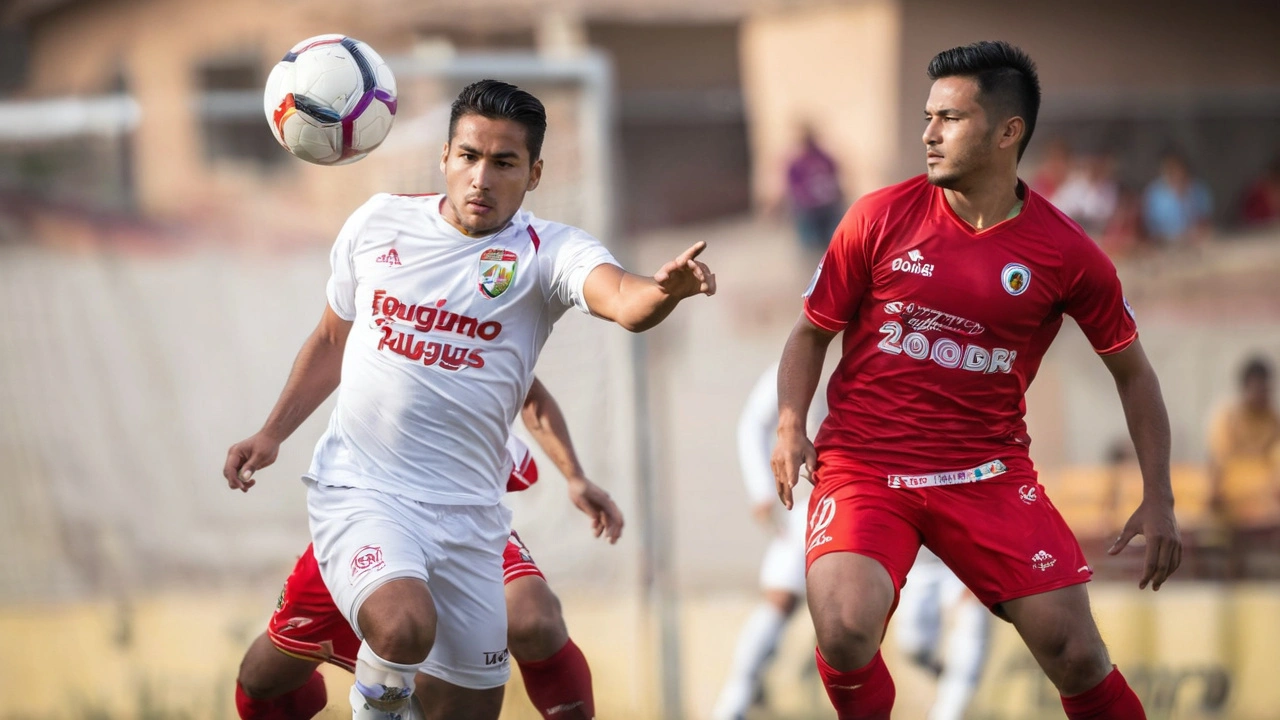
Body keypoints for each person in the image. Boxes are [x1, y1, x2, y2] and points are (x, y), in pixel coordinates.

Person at [223, 79, 715, 720]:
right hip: (364, 492)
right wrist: (272, 433)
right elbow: (330, 338)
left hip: (470, 521)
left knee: (476, 698)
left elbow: (623, 300)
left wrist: (664, 291)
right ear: (445, 158)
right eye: (468, 156)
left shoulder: (549, 253)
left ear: (535, 173)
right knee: (401, 626)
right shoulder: (378, 223)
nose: (481, 177)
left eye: (504, 162)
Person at [771, 41, 1179, 720]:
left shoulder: (1067, 252)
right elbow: (810, 331)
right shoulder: (877, 218)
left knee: (1076, 653)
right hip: (867, 467)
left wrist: (1158, 493)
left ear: (1007, 132)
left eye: (950, 119)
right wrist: (790, 424)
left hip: (986, 474)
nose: (928, 133)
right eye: (928, 117)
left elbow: (1134, 374)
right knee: (843, 626)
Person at [234, 378, 617, 720]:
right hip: (372, 511)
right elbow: (331, 339)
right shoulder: (379, 301)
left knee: (533, 618)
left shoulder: (501, 305)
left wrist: (574, 476)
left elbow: (532, 384)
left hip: (464, 515)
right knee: (263, 682)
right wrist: (272, 433)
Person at [712, 362, 824, 720]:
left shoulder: (891, 350)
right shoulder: (806, 354)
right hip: (810, 504)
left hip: (874, 499)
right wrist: (761, 487)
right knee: (779, 598)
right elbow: (754, 421)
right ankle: (734, 705)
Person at [892, 548, 990, 720]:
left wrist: (984, 570)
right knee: (913, 645)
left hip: (964, 568)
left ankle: (948, 713)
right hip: (916, 567)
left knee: (971, 637)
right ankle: (949, 679)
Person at [786, 126, 846, 258]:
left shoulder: (824, 158)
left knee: (832, 243)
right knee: (812, 247)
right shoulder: (797, 163)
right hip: (809, 209)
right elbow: (793, 186)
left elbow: (834, 175)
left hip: (828, 205)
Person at [1143, 150, 1213, 245]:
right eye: (1170, 169)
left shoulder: (1198, 190)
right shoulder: (1153, 193)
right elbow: (1150, 228)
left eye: (1178, 168)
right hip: (1163, 244)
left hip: (1195, 242)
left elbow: (1206, 221)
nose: (1175, 173)